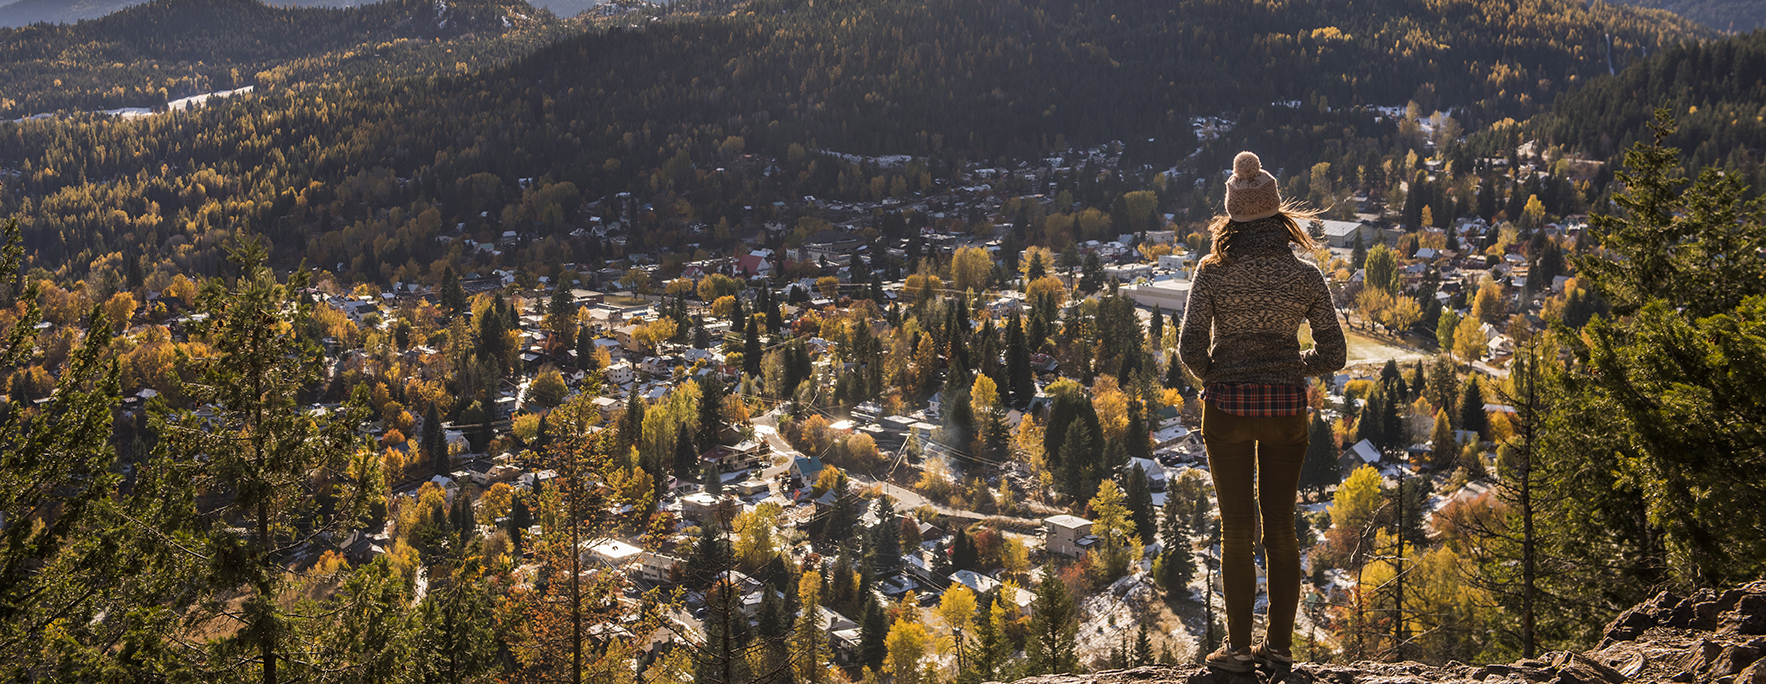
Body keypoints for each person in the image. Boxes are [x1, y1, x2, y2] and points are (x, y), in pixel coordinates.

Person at [1178, 151, 1346, 674]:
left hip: (1226, 411)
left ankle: (1236, 653)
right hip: (1286, 411)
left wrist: (1220, 376)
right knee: (1281, 528)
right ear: (1276, 212)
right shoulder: (1305, 274)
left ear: (1232, 213)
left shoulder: (1211, 272)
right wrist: (1292, 366)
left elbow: (1189, 348)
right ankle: (1279, 651)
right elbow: (1334, 353)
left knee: (1236, 529)